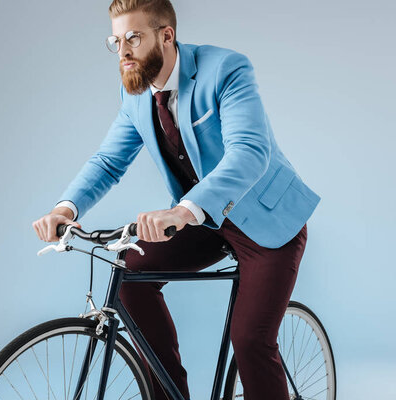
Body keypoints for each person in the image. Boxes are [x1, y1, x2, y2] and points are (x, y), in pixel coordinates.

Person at [32, 1, 321, 399]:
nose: (123, 52)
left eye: (134, 37)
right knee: (131, 274)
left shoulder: (225, 69)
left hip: (267, 221)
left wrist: (184, 210)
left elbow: (249, 152)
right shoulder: (135, 93)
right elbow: (108, 161)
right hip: (205, 223)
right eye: (115, 41)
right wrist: (64, 208)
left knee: (251, 340)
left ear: (166, 35)